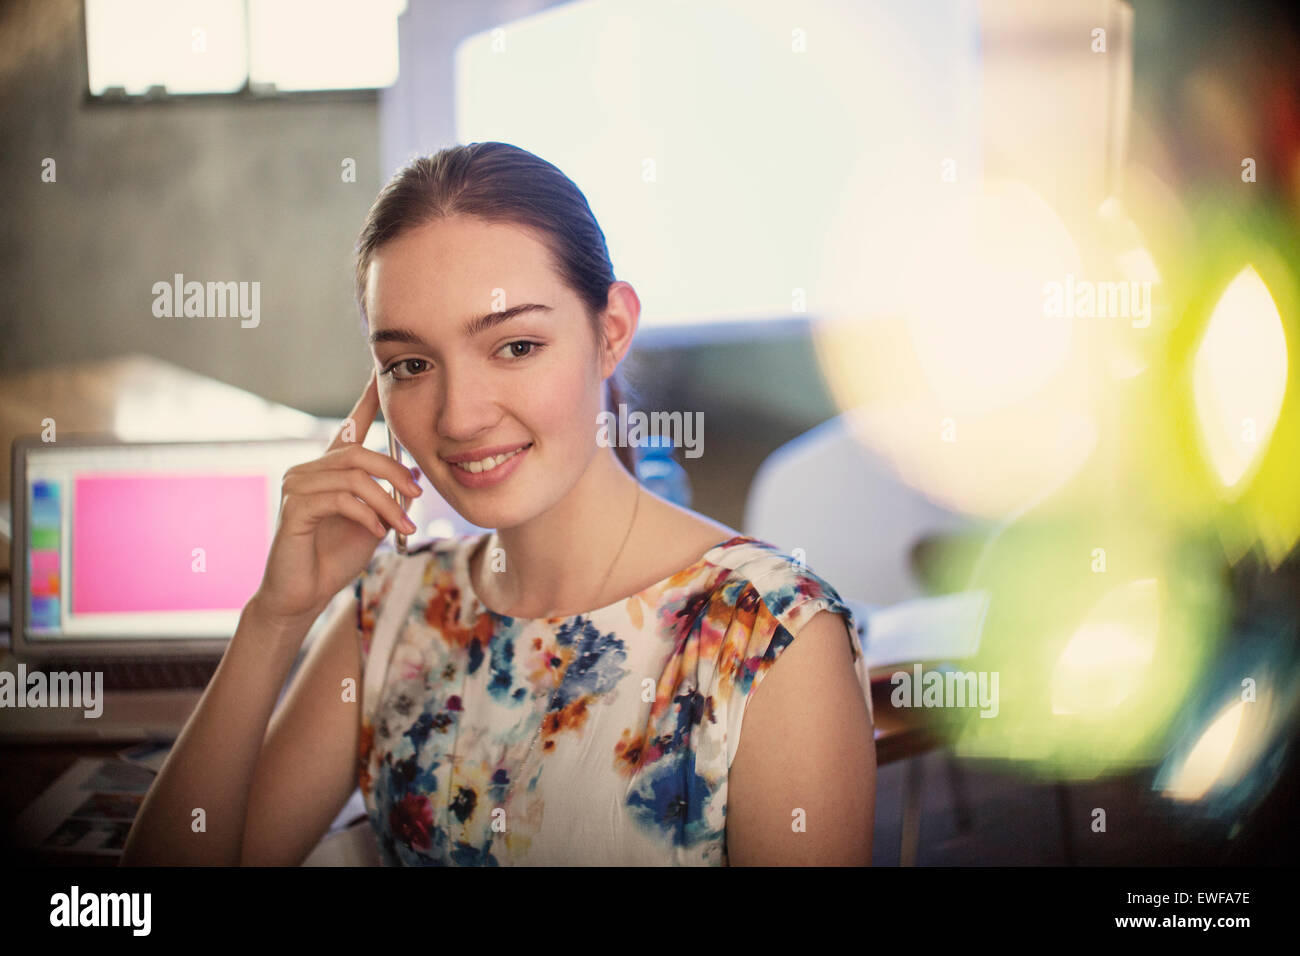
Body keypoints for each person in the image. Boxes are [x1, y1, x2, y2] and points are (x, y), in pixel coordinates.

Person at [122, 142, 875, 867]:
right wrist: (276, 617)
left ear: (610, 331)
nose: (457, 417)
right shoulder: (395, 609)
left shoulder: (770, 638)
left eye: (515, 346)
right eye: (410, 365)